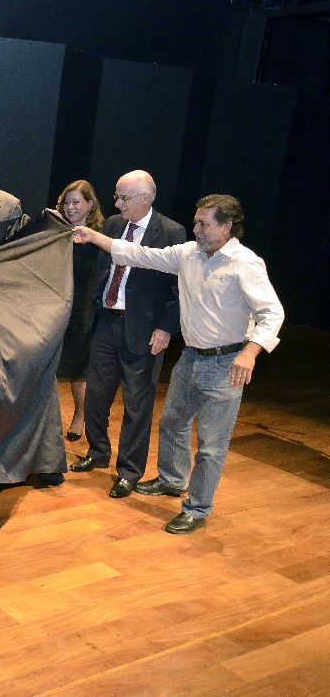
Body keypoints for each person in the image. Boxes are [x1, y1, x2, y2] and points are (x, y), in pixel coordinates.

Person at [74, 194, 283, 532]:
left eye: (203, 224)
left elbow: (272, 313)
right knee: (172, 423)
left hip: (226, 364)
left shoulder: (245, 263)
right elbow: (139, 254)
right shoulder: (188, 254)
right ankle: (172, 480)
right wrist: (93, 235)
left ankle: (197, 509)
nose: (195, 229)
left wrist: (250, 352)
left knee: (211, 446)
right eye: (196, 222)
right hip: (190, 358)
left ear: (227, 227)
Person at [69, 170, 186, 500]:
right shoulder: (112, 225)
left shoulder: (171, 232)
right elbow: (98, 266)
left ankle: (130, 471)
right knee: (96, 396)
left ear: (146, 197)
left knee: (137, 405)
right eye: (116, 197)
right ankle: (98, 451)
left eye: (123, 198)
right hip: (105, 323)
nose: (117, 204)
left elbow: (179, 288)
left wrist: (166, 327)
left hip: (144, 331)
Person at [55, 180, 105, 441]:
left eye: (77, 202)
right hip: (55, 306)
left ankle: (80, 414)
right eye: (67, 202)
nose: (71, 207)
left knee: (78, 368)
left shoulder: (100, 236)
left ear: (90, 204)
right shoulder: (57, 231)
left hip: (84, 309)